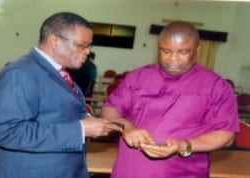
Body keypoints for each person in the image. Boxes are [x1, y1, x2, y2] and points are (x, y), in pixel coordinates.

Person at [0, 12, 122, 178]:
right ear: (54, 41)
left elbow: (55, 113)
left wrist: (87, 119)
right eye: (81, 45)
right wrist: (80, 129)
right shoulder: (20, 73)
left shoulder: (59, 72)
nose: (87, 52)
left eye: (89, 46)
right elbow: (9, 132)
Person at [101, 21, 239, 178]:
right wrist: (126, 127)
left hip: (184, 172)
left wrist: (182, 146)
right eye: (166, 51)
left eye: (183, 52)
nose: (173, 58)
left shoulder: (216, 86)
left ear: (197, 50)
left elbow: (226, 134)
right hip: (132, 171)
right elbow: (110, 109)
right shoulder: (137, 77)